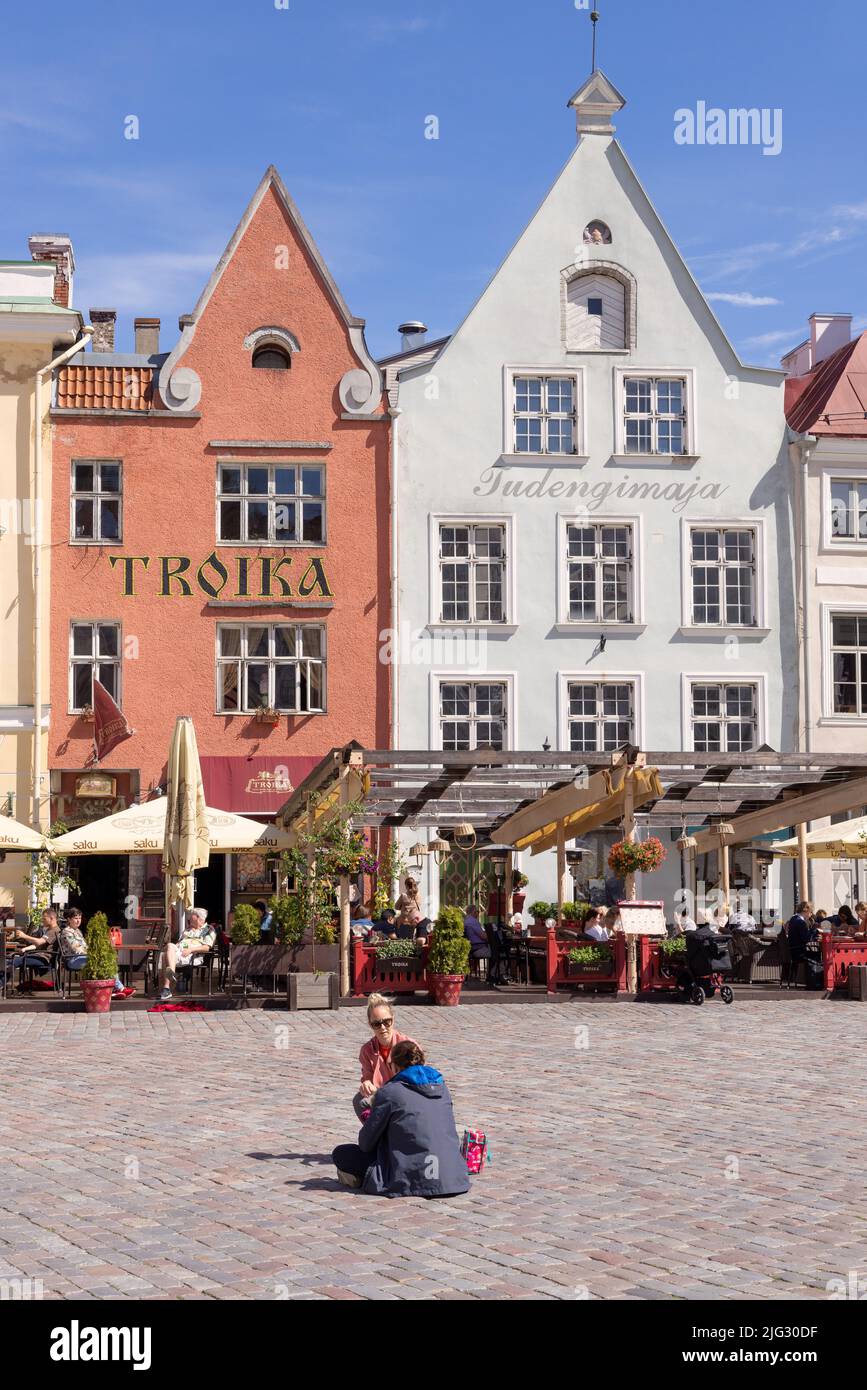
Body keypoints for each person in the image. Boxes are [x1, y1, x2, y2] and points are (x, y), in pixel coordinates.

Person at [332, 1040, 470, 1198]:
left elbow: (365, 1144)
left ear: (394, 1066)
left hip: (410, 1174)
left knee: (341, 1153)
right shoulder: (442, 1089)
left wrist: (371, 1114)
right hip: (451, 1176)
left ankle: (360, 1178)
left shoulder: (391, 1092)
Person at [352, 994, 416, 1120]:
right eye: (377, 1024)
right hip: (381, 1095)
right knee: (359, 1100)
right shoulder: (367, 1050)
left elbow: (417, 1079)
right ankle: (379, 1136)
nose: (383, 1028)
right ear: (370, 1025)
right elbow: (368, 1078)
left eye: (387, 1022)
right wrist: (366, 1084)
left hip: (406, 1095)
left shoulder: (408, 1045)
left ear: (393, 1019)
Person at [60, 906, 134, 999]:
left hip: (83, 957)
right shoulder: (67, 932)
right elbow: (76, 949)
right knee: (102, 962)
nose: (78, 920)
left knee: (106, 961)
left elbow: (85, 948)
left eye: (79, 918)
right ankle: (118, 989)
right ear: (69, 919)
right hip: (73, 959)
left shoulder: (77, 931)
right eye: (75, 918)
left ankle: (115, 989)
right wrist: (94, 953)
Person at [158, 907, 216, 999]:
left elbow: (206, 947)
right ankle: (168, 983)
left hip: (192, 956)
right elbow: (180, 943)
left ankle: (167, 987)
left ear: (198, 918)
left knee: (166, 956)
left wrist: (190, 950)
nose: (189, 918)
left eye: (191, 915)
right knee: (169, 946)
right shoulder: (188, 930)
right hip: (180, 952)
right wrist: (174, 947)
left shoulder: (208, 930)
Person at [8, 908, 60, 990]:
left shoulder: (54, 931)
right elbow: (38, 944)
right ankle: (3, 983)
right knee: (10, 961)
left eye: (44, 918)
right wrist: (25, 949)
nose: (42, 920)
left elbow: (39, 942)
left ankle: (1, 984)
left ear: (52, 918)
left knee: (14, 961)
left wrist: (24, 936)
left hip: (44, 959)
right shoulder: (49, 930)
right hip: (40, 955)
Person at [786, 901, 817, 966]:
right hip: (799, 952)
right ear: (806, 910)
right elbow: (807, 939)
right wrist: (814, 929)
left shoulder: (793, 918)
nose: (811, 915)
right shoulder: (801, 922)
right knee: (817, 954)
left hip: (792, 950)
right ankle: (814, 974)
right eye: (811, 912)